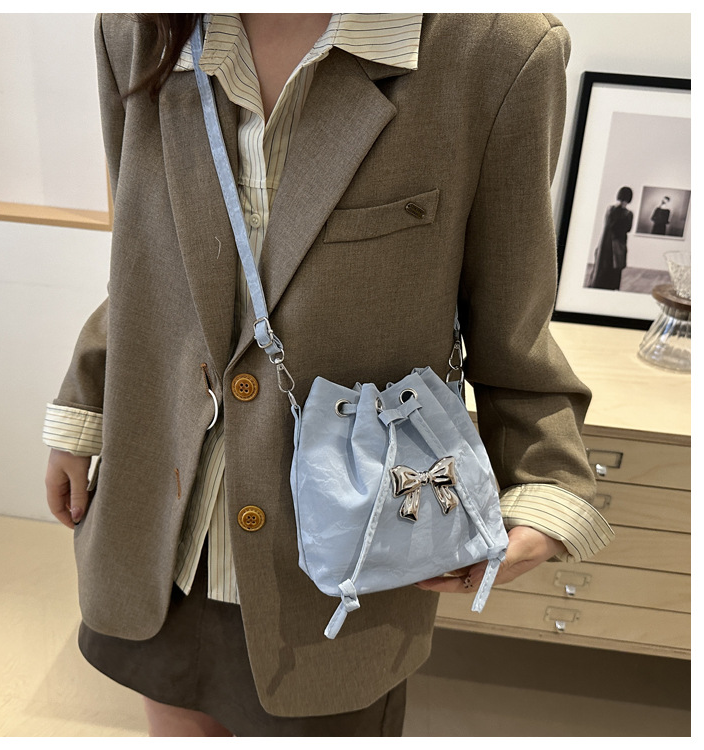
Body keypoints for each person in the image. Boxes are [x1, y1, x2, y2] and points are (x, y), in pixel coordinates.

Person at [44, 13, 614, 737]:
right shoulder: (140, 30)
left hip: (344, 553)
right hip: (159, 518)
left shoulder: (497, 52)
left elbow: (511, 314)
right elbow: (141, 262)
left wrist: (547, 484)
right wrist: (85, 410)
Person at [587, 186, 634, 290]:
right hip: (617, 243)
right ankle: (611, 286)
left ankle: (599, 284)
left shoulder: (611, 210)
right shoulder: (627, 214)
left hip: (607, 242)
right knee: (614, 266)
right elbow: (627, 228)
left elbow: (610, 225)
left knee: (604, 265)